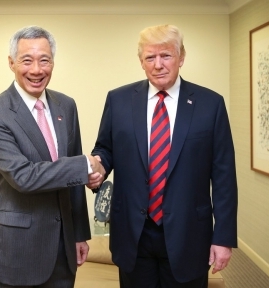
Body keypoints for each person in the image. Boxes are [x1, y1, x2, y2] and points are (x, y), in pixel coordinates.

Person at [89, 24, 238, 287]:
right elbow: (106, 149)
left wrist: (223, 237)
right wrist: (98, 166)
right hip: (134, 232)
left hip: (189, 233)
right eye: (150, 57)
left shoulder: (210, 104)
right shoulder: (119, 100)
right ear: (141, 62)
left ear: (181, 57)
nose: (158, 64)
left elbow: (224, 177)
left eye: (166, 55)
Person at [0, 25, 104, 288]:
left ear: (53, 63)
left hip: (62, 248)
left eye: (44, 60)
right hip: (17, 250)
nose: (36, 70)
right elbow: (23, 177)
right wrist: (84, 165)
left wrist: (79, 233)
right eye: (26, 60)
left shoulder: (65, 105)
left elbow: (74, 179)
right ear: (11, 63)